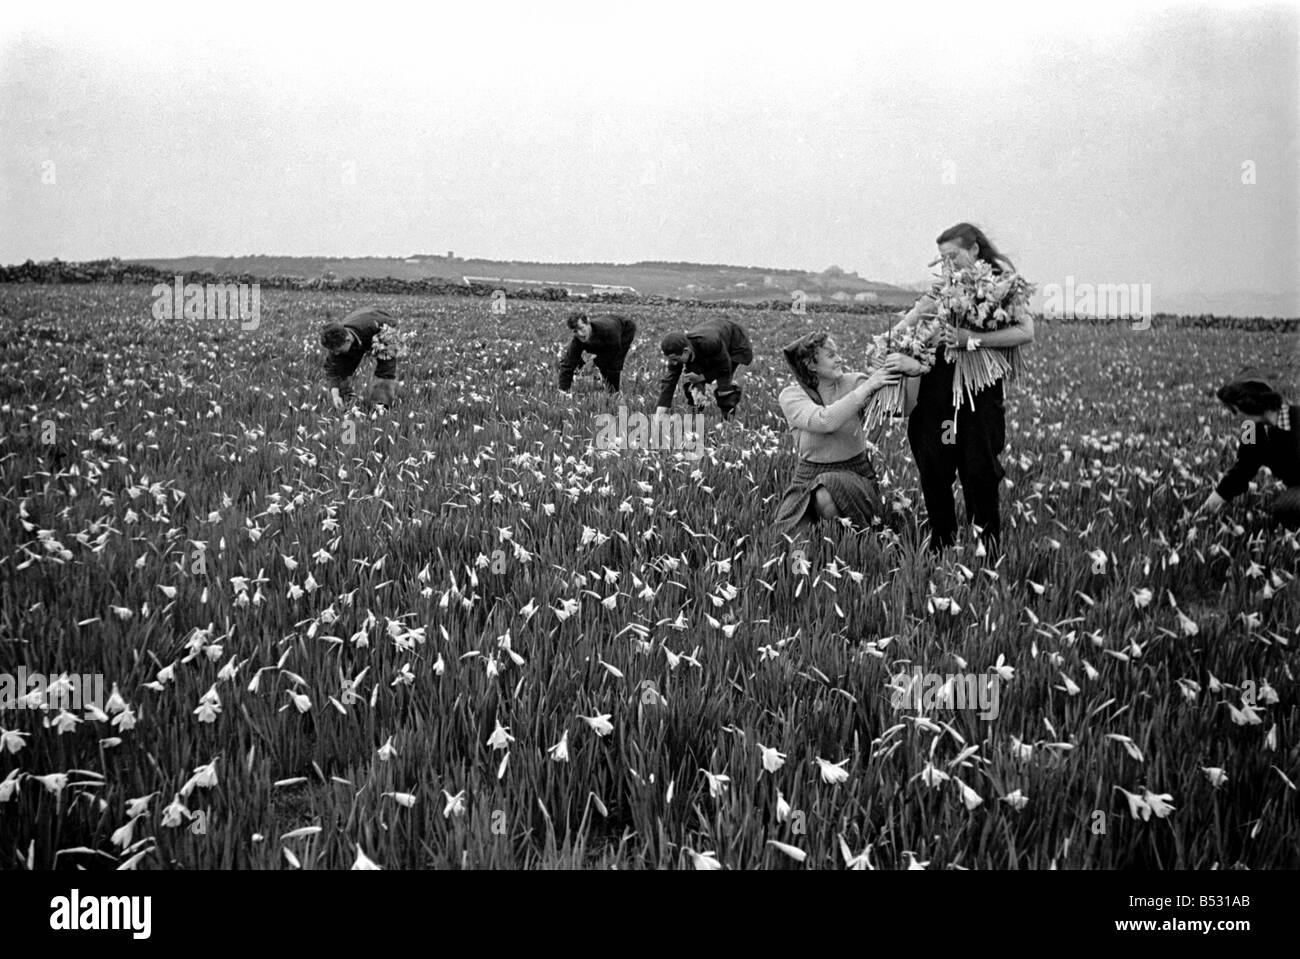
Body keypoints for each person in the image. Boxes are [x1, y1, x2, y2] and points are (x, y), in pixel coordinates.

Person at [892, 223, 1035, 554]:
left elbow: (1025, 333)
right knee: (935, 469)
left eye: (953, 255)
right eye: (942, 257)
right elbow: (902, 328)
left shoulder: (1000, 289)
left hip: (978, 400)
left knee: (979, 472)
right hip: (937, 402)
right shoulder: (939, 290)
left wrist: (971, 340)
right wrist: (906, 330)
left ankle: (988, 551)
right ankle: (942, 545)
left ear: (974, 251)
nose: (947, 264)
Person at [772, 332, 905, 537]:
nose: (840, 359)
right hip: (808, 476)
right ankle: (827, 552)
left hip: (854, 473)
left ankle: (847, 547)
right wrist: (869, 386)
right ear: (811, 364)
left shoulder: (854, 383)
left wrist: (889, 369)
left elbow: (890, 409)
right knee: (788, 540)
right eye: (831, 355)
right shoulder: (792, 395)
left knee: (827, 492)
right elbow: (825, 421)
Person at [1198, 376, 1300, 528]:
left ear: (1250, 404)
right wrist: (1204, 511)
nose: (1234, 416)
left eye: (1234, 410)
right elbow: (1241, 471)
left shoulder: (1297, 418)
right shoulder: (1249, 428)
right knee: (1284, 507)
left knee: (1287, 506)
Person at [654, 316, 753, 419]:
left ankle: (728, 421)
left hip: (733, 343)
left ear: (686, 351)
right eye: (671, 360)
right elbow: (669, 382)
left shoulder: (710, 342)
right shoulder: (677, 352)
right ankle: (695, 417)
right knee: (692, 386)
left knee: (724, 389)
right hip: (704, 350)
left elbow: (724, 368)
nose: (674, 363)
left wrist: (701, 377)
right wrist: (659, 414)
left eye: (676, 359)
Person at [321, 306, 398, 406]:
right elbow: (333, 371)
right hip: (358, 326)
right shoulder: (336, 341)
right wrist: (336, 396)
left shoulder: (374, 327)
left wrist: (383, 345)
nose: (336, 354)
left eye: (338, 350)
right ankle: (346, 399)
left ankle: (381, 404)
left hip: (381, 327)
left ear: (348, 339)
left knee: (386, 366)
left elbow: (392, 324)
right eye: (334, 351)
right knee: (342, 365)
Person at [556, 312, 638, 393]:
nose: (580, 334)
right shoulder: (578, 340)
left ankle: (613, 393)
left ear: (588, 323)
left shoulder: (608, 332)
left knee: (614, 363)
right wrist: (562, 391)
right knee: (575, 357)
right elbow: (568, 364)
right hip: (607, 324)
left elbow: (612, 359)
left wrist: (596, 363)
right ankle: (602, 381)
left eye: (581, 328)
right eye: (575, 331)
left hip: (625, 329)